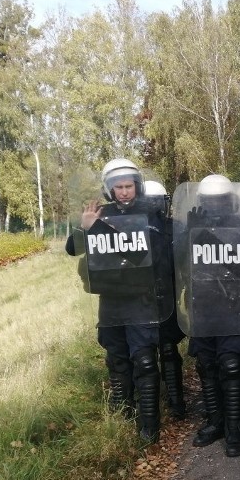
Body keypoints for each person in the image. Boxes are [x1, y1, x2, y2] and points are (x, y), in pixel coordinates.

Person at [66, 158, 172, 443]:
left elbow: (145, 254)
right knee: (117, 360)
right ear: (108, 189)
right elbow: (71, 249)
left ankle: (149, 427)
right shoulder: (100, 213)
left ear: (136, 186)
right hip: (110, 299)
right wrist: (83, 226)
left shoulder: (150, 214)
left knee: (145, 360)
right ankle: (123, 416)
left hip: (141, 299)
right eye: (118, 187)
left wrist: (97, 229)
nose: (124, 192)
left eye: (128, 186)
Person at [175, 174, 240, 456]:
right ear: (202, 202)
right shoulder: (193, 227)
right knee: (207, 366)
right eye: (210, 202)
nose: (215, 206)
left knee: (231, 366)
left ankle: (235, 427)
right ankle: (215, 422)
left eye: (220, 201)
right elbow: (176, 263)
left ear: (231, 201)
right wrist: (190, 234)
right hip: (202, 308)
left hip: (234, 308)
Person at [143, 180, 187, 420]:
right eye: (153, 202)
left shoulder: (174, 227)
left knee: (168, 349)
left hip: (167, 293)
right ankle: (161, 401)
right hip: (140, 297)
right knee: (147, 353)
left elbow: (184, 260)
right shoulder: (131, 228)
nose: (157, 207)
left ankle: (176, 401)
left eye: (159, 201)